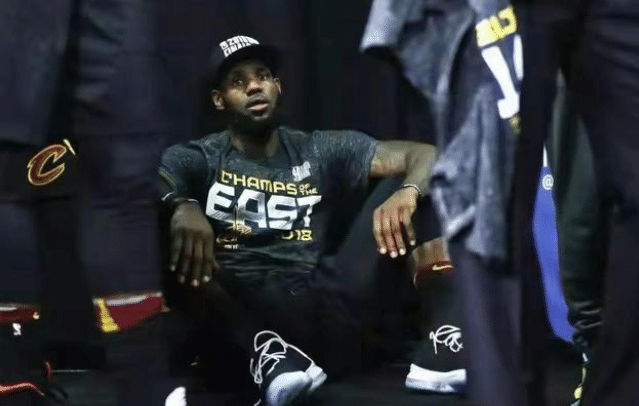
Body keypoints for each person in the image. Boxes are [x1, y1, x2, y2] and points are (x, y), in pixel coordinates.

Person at [157, 34, 438, 406]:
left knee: (418, 184)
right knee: (163, 224)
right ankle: (265, 353)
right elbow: (157, 177)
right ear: (219, 99)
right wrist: (183, 204)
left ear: (278, 86)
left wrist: (408, 192)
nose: (254, 87)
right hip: (240, 311)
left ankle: (447, 339)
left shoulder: (317, 148)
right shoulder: (201, 156)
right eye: (238, 82)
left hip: (319, 307)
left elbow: (425, 154)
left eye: (262, 76)